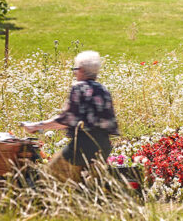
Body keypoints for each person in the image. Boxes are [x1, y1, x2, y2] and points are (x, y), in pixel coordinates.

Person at [22, 50, 118, 182]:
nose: (75, 72)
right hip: (104, 147)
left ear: (82, 70)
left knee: (47, 177)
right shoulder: (104, 90)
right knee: (87, 186)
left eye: (76, 69)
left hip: (82, 148)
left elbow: (65, 120)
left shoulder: (79, 88)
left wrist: (35, 126)